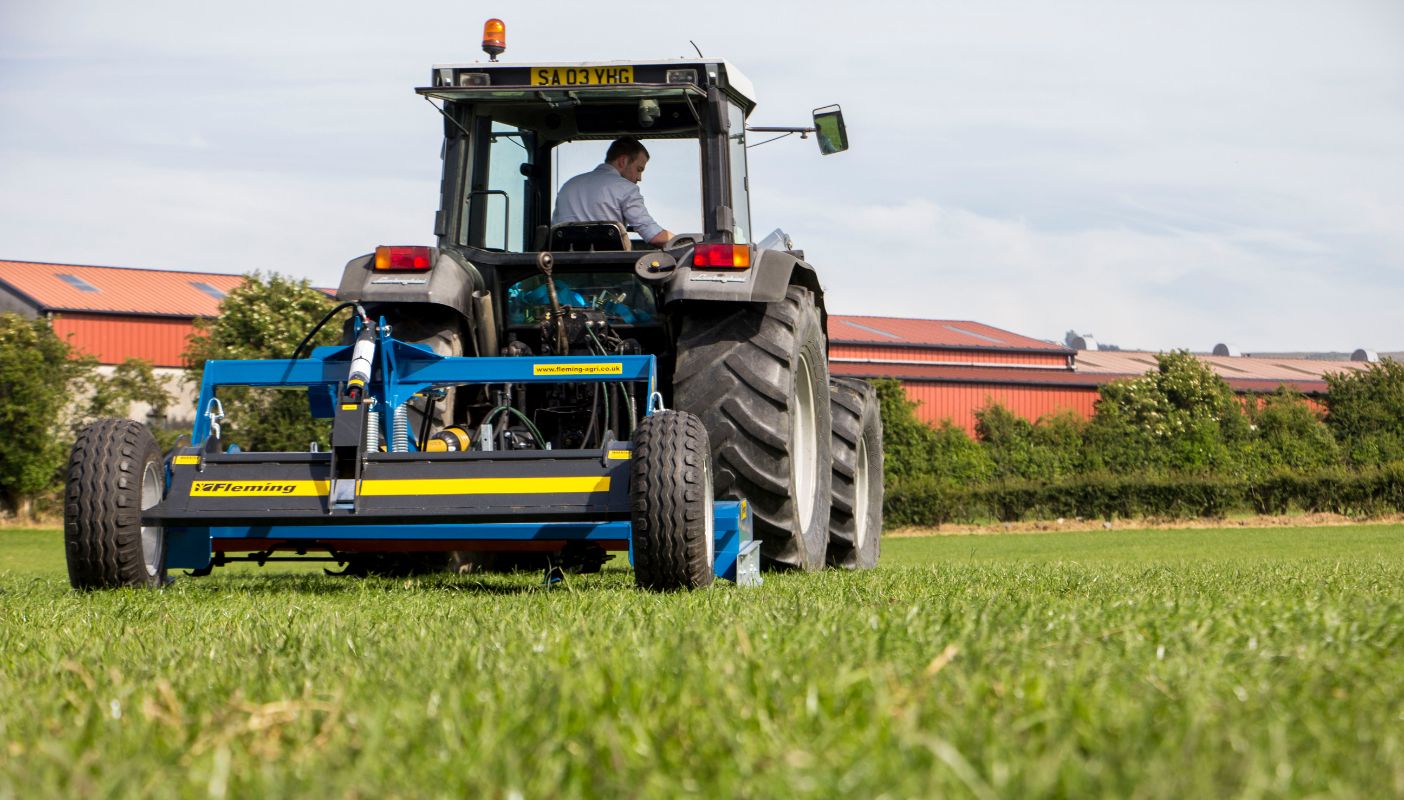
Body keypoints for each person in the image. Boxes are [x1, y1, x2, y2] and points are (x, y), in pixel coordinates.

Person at [553, 137, 673, 247]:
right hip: (610, 267)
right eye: (639, 169)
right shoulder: (626, 188)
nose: (639, 177)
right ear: (623, 161)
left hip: (564, 267)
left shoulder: (568, 186)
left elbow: (555, 230)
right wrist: (687, 242)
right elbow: (654, 236)